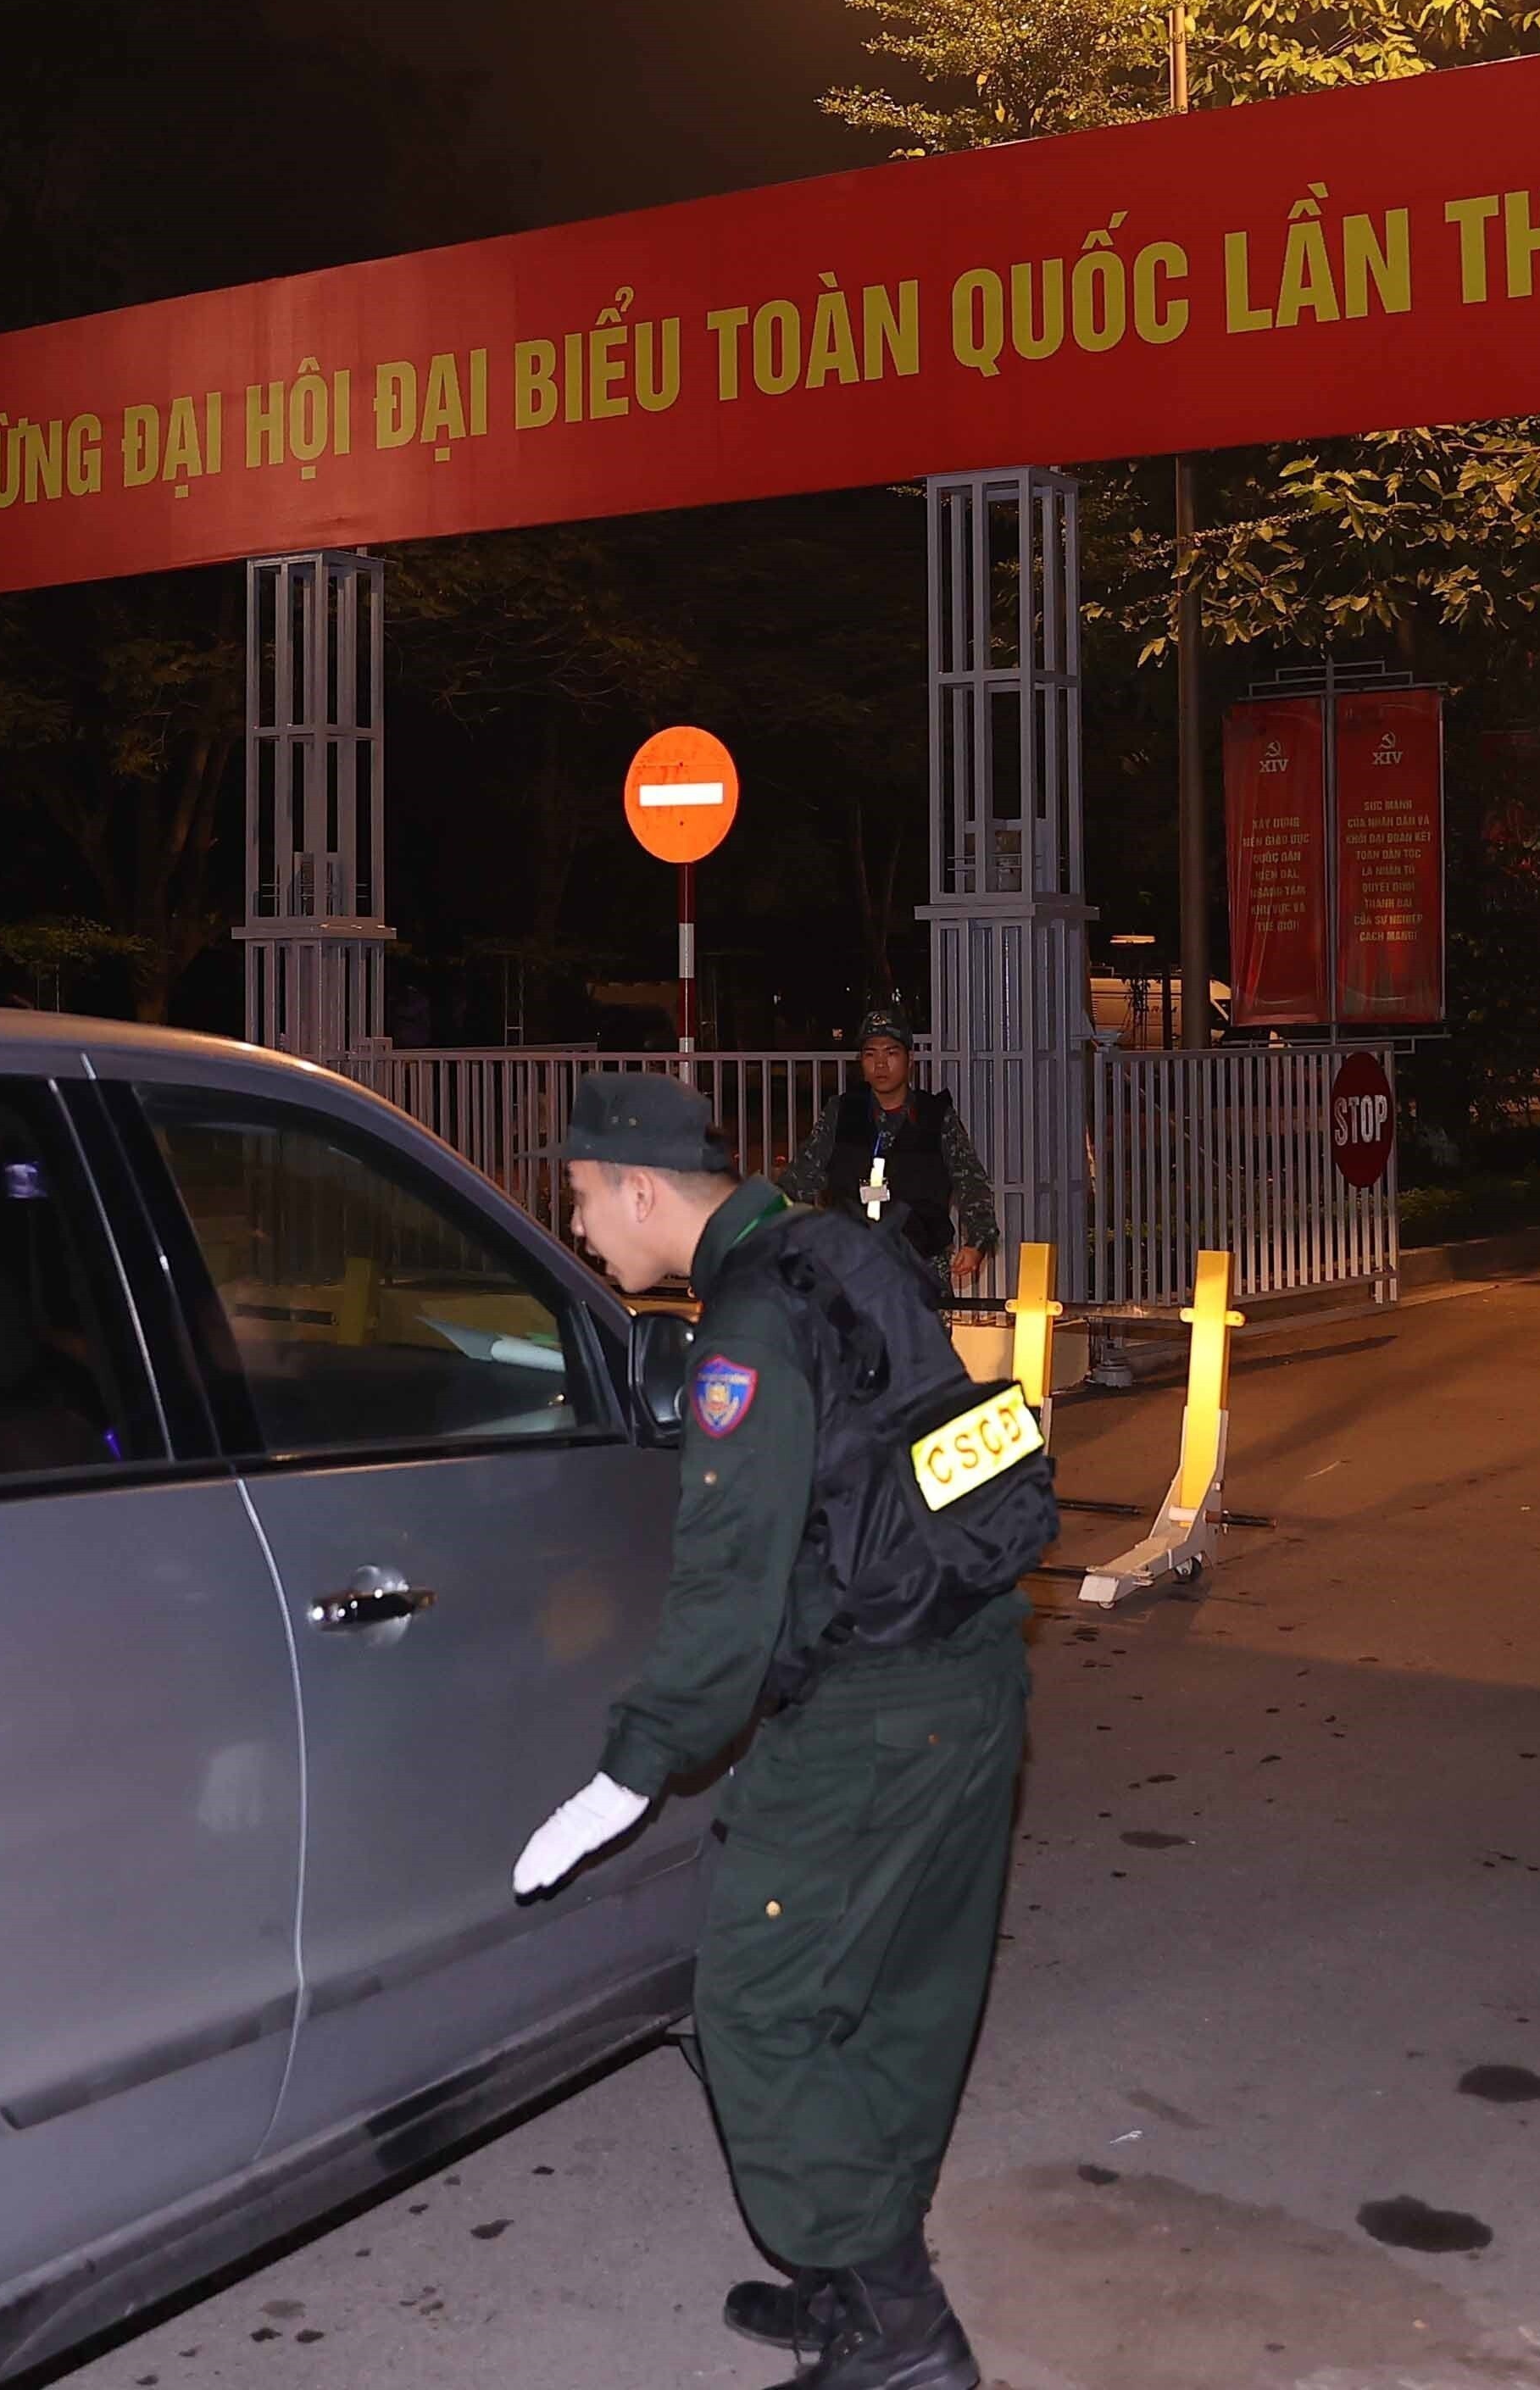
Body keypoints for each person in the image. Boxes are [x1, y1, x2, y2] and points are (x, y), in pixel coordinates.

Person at [512, 1072, 1043, 2390]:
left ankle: (903, 2331)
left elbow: (728, 1584)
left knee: (755, 2006)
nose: (577, 1229)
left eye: (580, 1199)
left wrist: (636, 1765)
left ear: (641, 1189)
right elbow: (930, 1446)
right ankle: (855, 2284)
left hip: (875, 1709)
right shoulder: (837, 1249)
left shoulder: (746, 1328)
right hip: (976, 1667)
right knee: (904, 1998)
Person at [786, 1013, 999, 1292]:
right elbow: (799, 1181)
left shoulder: (936, 1118)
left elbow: (971, 1183)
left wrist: (978, 1242)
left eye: (891, 1053)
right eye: (870, 1054)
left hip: (920, 1267)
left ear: (910, 1060)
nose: (880, 1064)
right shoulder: (840, 1114)